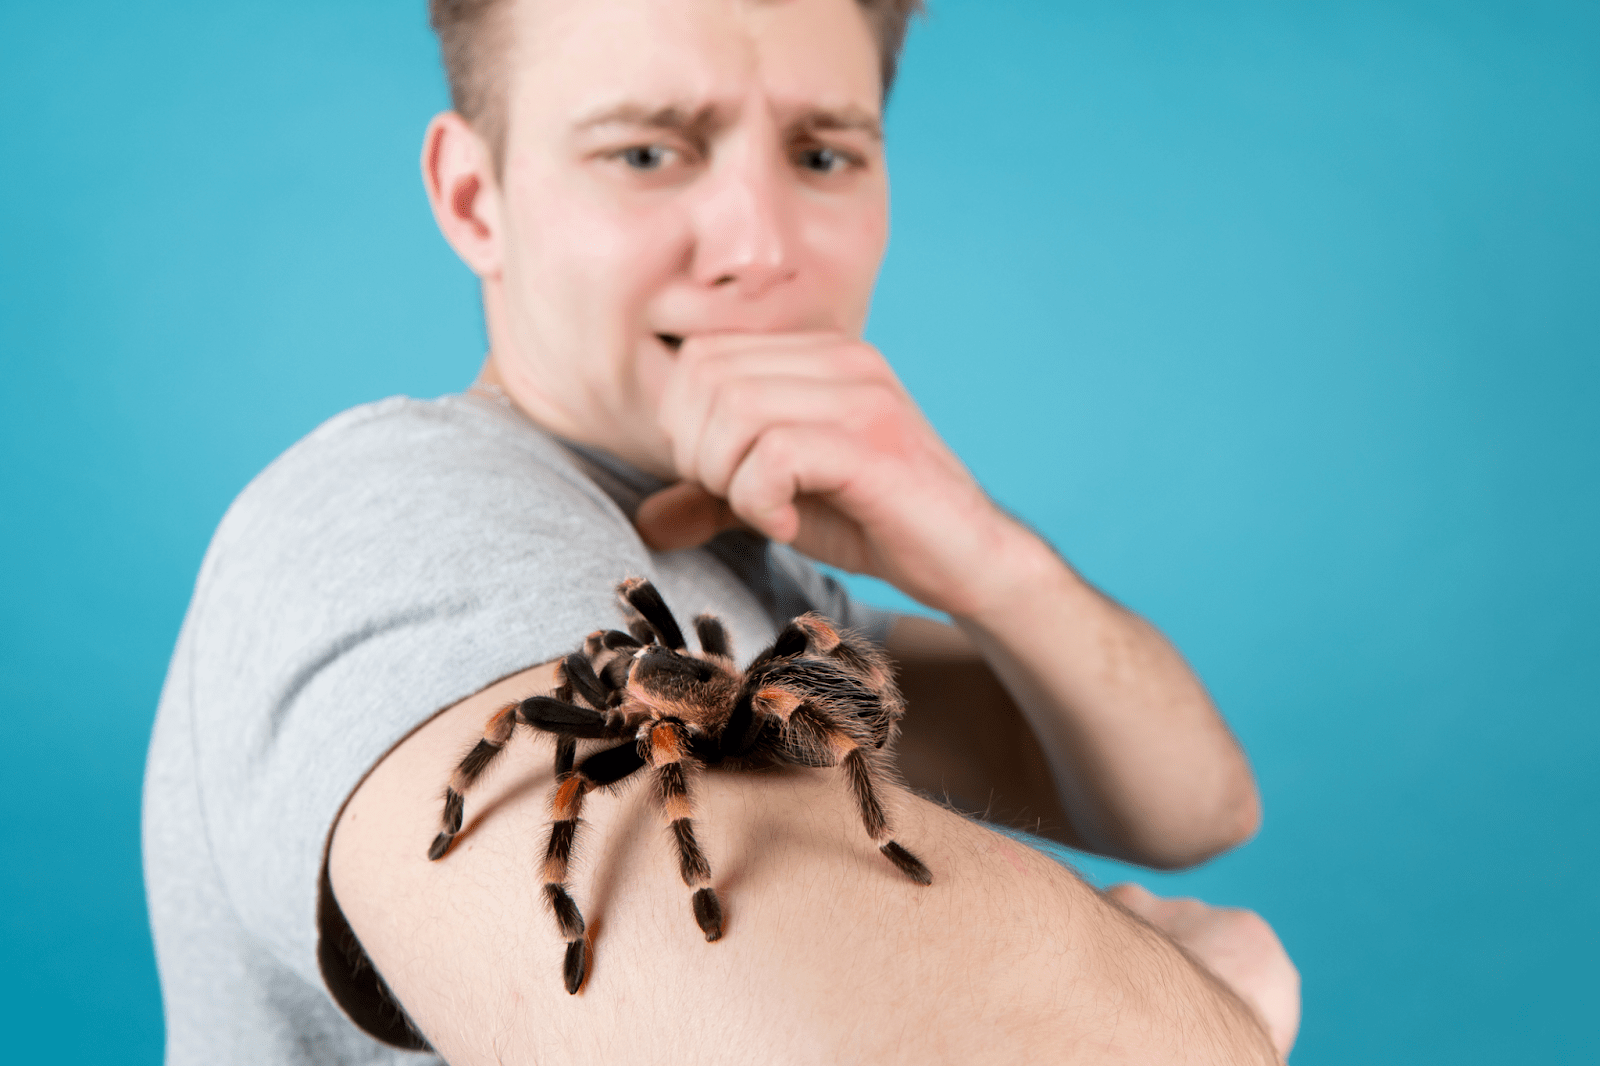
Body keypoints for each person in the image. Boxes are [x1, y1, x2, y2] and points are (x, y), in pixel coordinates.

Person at [144, 0, 1300, 1062]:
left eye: (822, 153)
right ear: (473, 198)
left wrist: (981, 554)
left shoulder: (755, 569)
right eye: (645, 151)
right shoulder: (401, 515)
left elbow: (1193, 807)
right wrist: (1223, 1012)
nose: (759, 247)